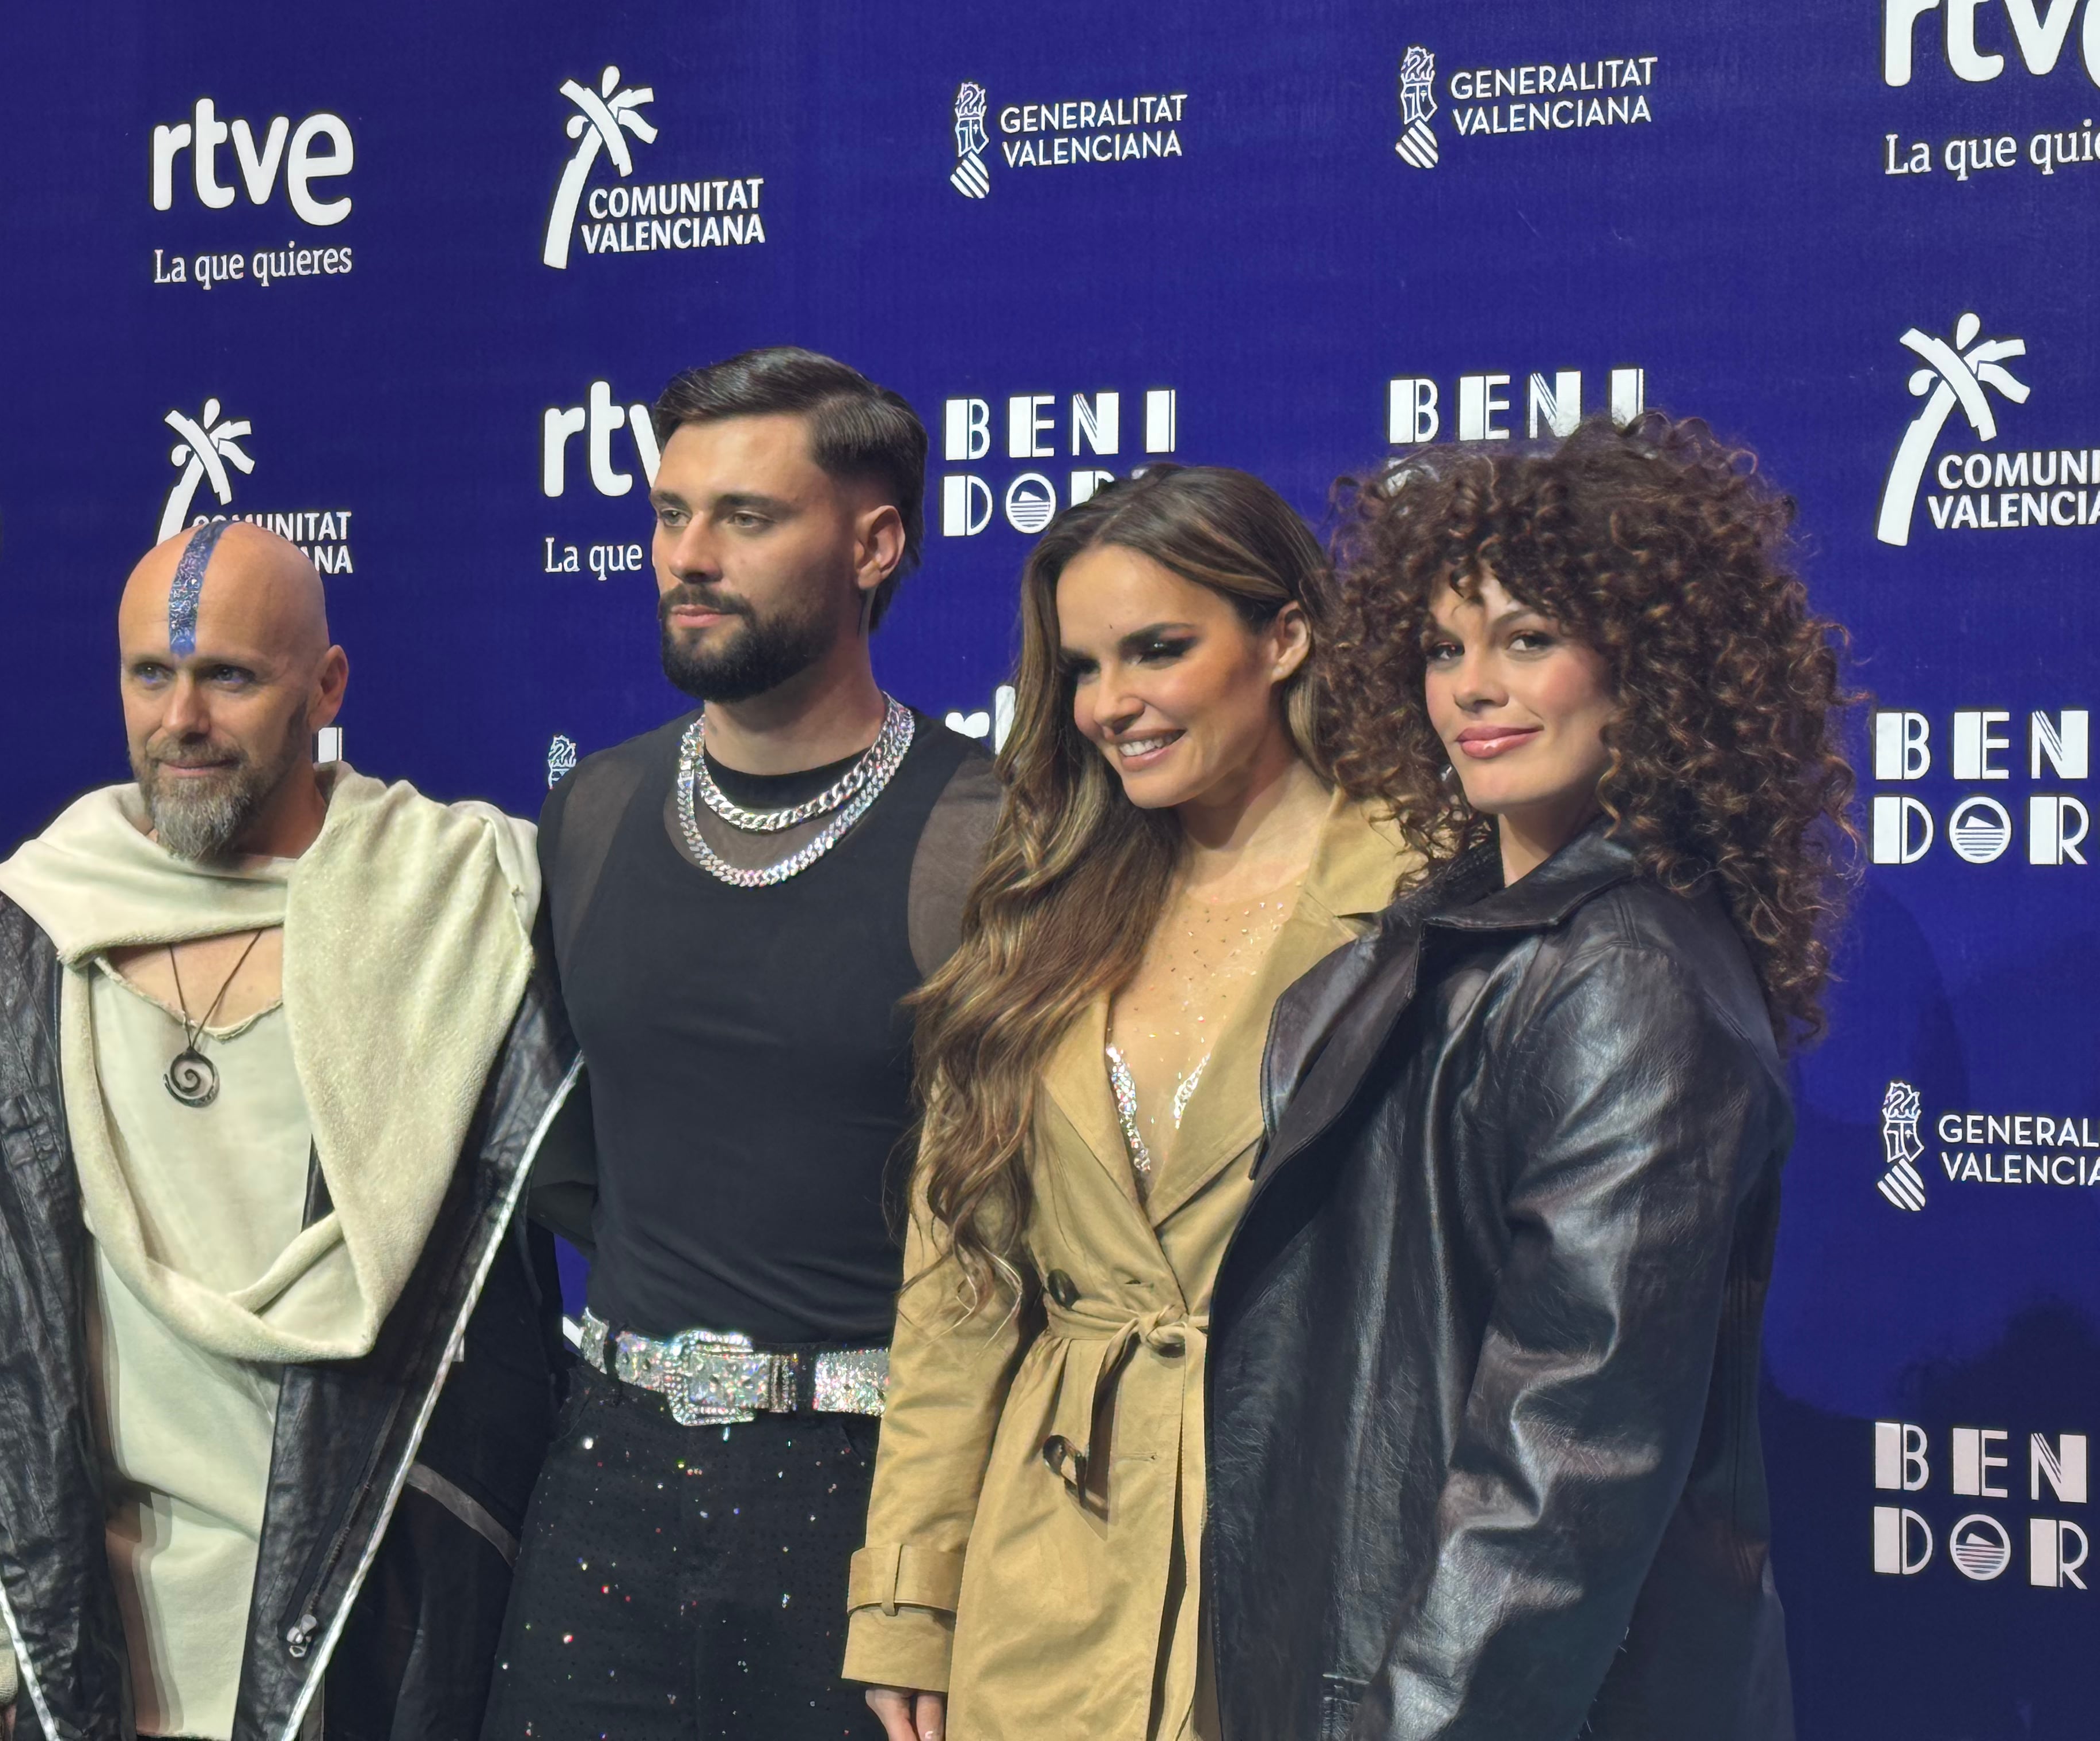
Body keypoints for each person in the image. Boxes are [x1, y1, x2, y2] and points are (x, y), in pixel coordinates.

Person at [0, 523, 572, 1741]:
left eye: (230, 676)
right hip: (87, 1669)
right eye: (150, 673)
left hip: (380, 1658)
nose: (182, 718)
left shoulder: (455, 929)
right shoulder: (16, 958)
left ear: (326, 688)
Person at [1204, 416, 1856, 1740]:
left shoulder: (1628, 976)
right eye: (1445, 649)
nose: (1472, 690)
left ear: (1649, 671)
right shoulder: (1455, 937)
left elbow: (1561, 1475)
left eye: (1528, 640)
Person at [844, 466, 1414, 1741]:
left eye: (1159, 650)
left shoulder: (1426, 901)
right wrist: (908, 1602)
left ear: (1284, 636)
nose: (1114, 705)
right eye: (1085, 667)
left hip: (1312, 1557)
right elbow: (960, 1289)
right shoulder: (1039, 908)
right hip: (1049, 1574)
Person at [481, 347, 1000, 1740]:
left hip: (878, 1513)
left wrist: (931, 1571)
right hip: (603, 1490)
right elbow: (560, 1159)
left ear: (874, 543)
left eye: (747, 519)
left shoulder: (988, 830)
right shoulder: (589, 812)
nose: (688, 558)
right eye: (669, 515)